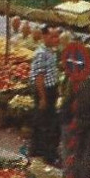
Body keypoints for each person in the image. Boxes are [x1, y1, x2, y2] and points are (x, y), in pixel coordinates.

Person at [28, 26, 62, 165]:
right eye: (53, 36)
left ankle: (35, 149)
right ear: (44, 36)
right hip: (44, 91)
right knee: (48, 123)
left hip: (51, 89)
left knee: (40, 120)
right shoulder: (41, 53)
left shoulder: (51, 52)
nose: (56, 39)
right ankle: (48, 155)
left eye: (57, 36)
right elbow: (39, 77)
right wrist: (42, 97)